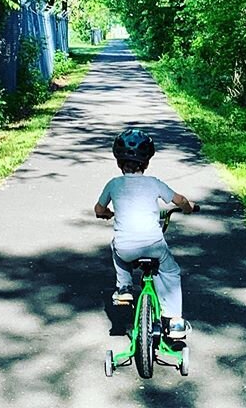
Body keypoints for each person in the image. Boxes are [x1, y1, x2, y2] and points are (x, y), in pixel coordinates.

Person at [94, 128, 196, 340]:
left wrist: (107, 214)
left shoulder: (113, 184)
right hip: (154, 245)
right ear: (147, 162)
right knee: (171, 272)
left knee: (116, 246)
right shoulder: (154, 183)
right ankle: (174, 321)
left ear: (118, 162)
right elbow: (180, 201)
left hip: (126, 249)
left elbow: (98, 209)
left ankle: (124, 288)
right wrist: (188, 207)